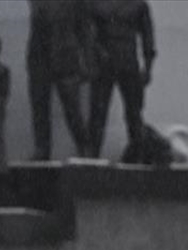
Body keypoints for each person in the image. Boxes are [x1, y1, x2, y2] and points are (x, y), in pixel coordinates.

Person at [86, 0, 155, 160]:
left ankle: (138, 153)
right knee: (98, 113)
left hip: (127, 63)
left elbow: (147, 37)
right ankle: (92, 155)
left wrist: (148, 66)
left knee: (133, 114)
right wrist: (95, 55)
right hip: (106, 63)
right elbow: (88, 33)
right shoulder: (96, 4)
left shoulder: (138, 5)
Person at [26, 0, 94, 160]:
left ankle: (83, 148)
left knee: (72, 109)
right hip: (40, 57)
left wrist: (89, 61)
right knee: (40, 108)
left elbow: (84, 29)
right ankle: (42, 149)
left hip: (65, 58)